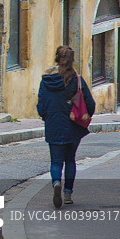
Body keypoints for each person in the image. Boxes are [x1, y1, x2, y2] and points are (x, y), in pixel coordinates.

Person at [36, 45, 96, 208]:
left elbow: (41, 106)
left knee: (56, 162)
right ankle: (68, 193)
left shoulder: (46, 80)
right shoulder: (77, 80)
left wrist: (46, 117)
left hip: (53, 126)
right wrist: (84, 115)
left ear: (57, 59)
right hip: (73, 128)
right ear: (72, 61)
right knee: (70, 160)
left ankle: (56, 182)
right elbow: (90, 104)